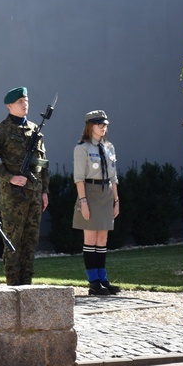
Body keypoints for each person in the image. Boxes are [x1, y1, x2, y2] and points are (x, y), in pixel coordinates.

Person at [0, 87, 49, 286]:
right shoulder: (1, 130)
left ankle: (26, 284)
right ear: (9, 105)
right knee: (13, 242)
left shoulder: (35, 130)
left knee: (30, 241)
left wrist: (45, 191)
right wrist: (8, 177)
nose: (24, 104)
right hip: (13, 196)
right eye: (20, 101)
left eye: (26, 100)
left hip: (34, 195)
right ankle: (13, 285)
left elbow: (43, 163)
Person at [72, 110, 121, 296]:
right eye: (99, 123)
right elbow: (78, 178)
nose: (103, 127)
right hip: (90, 193)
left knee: (102, 239)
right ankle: (93, 282)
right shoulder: (82, 148)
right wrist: (83, 201)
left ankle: (103, 279)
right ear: (89, 126)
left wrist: (116, 199)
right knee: (90, 239)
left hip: (106, 193)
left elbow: (114, 176)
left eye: (105, 124)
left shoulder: (109, 147)